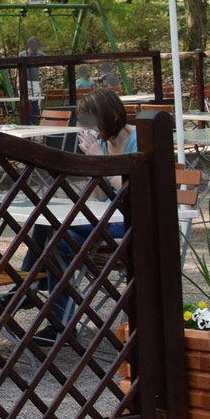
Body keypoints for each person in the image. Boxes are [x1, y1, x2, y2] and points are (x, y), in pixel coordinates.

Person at [35, 88, 137, 347]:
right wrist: (93, 168)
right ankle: (59, 325)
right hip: (108, 219)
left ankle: (27, 287)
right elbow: (101, 196)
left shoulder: (138, 139)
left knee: (54, 226)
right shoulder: (103, 142)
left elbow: (135, 192)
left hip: (133, 223)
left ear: (109, 116)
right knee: (55, 235)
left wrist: (101, 161)